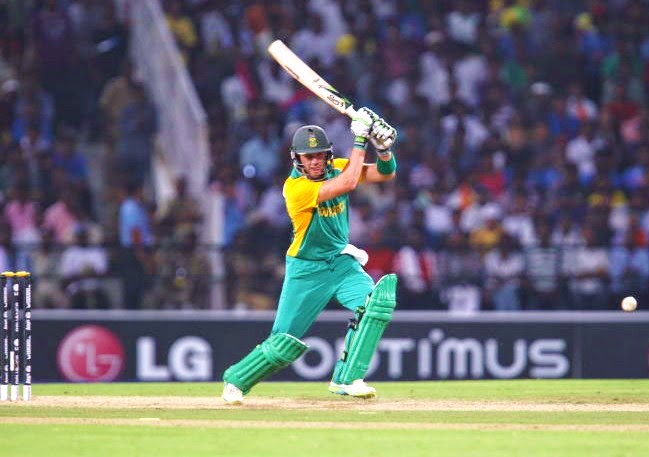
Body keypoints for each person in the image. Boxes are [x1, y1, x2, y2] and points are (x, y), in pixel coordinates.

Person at [222, 108, 398, 404]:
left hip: (341, 262)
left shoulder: (338, 167)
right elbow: (348, 183)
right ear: (297, 159)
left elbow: (385, 173)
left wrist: (383, 149)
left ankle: (347, 379)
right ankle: (237, 379)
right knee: (283, 342)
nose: (315, 162)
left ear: (328, 155)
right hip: (306, 270)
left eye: (319, 156)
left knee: (376, 305)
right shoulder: (295, 188)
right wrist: (360, 138)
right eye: (308, 157)